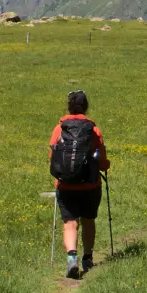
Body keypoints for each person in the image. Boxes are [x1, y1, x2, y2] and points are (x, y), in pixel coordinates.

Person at [48, 89, 109, 279]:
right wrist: (105, 166)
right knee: (88, 220)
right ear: (86, 106)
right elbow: (102, 161)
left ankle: (71, 258)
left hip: (65, 185)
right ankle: (87, 258)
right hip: (90, 185)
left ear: (68, 106)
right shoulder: (93, 130)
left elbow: (52, 157)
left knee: (70, 222)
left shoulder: (60, 129)